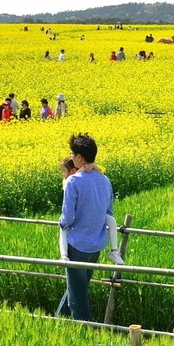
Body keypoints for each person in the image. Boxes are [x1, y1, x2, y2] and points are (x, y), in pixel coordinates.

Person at [56, 133, 120, 321]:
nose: (72, 156)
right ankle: (58, 321)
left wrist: (62, 226)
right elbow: (109, 212)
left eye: (73, 153)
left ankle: (89, 331)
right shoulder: (104, 180)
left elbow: (67, 216)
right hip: (96, 245)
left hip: (77, 244)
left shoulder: (73, 181)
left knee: (78, 296)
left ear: (79, 157)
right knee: (77, 288)